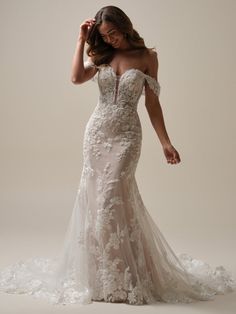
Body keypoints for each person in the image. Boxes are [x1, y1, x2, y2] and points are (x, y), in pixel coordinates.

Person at [0, 5, 235, 306]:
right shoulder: (102, 55)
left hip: (126, 136)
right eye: (104, 36)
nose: (110, 39)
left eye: (113, 33)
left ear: (125, 26)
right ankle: (100, 274)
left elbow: (152, 104)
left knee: (113, 194)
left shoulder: (148, 57)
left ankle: (125, 273)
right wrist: (80, 40)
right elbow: (75, 78)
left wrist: (165, 142)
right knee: (96, 199)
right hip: (97, 133)